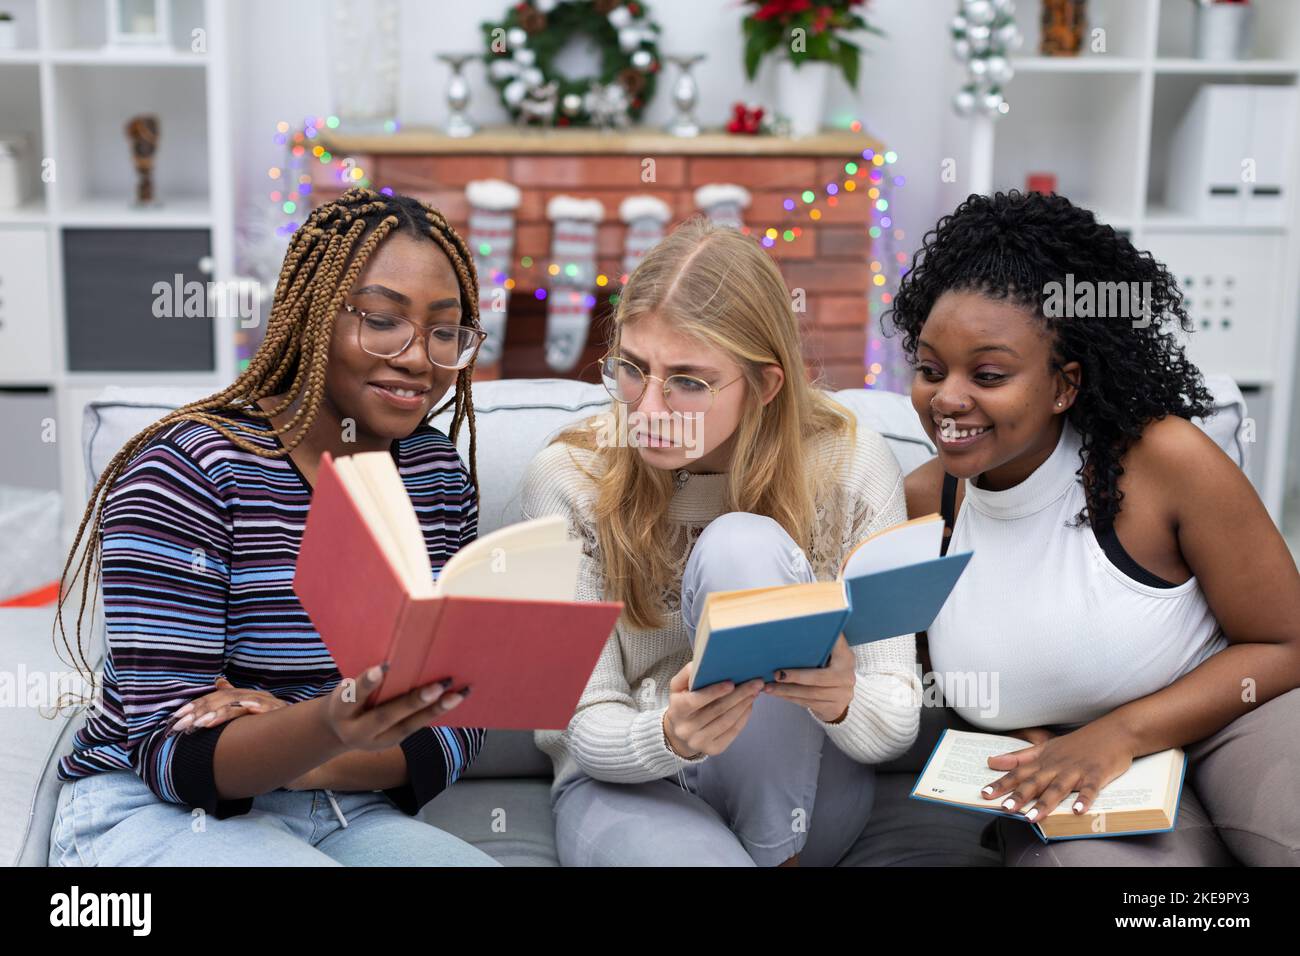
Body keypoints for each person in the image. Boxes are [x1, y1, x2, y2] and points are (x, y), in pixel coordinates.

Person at [50, 188, 499, 866]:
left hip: (346, 808)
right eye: (382, 320)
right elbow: (172, 750)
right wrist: (332, 722)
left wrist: (315, 747)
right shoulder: (190, 470)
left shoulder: (433, 476)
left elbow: (460, 723)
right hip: (160, 809)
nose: (418, 358)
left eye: (445, 332)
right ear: (314, 316)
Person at [896, 190, 1300, 865]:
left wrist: (1121, 731)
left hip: (1236, 720)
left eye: (988, 374)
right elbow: (921, 677)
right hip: (1073, 766)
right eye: (930, 370)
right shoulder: (923, 504)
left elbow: (1285, 641)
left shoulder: (1161, 461)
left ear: (1064, 385)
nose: (948, 398)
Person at [521, 215, 921, 866]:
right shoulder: (569, 477)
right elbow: (581, 724)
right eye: (631, 369)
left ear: (765, 385)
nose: (646, 412)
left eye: (687, 381)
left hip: (809, 793)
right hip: (638, 785)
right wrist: (670, 735)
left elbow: (896, 715)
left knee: (742, 547)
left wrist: (845, 697)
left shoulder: (848, 461)